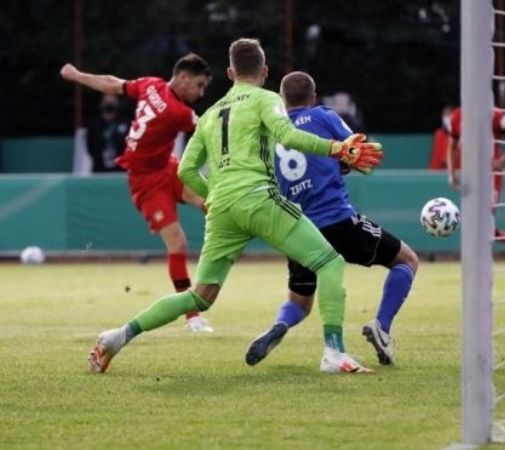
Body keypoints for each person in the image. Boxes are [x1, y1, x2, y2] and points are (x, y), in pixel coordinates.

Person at [85, 38, 384, 375]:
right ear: (265, 71)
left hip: (223, 209)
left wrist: (211, 195)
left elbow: (185, 169)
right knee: (329, 262)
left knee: (200, 296)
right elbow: (289, 137)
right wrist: (337, 149)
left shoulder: (210, 114)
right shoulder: (267, 98)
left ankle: (118, 336)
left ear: (230, 72)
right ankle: (333, 352)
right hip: (258, 198)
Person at [245, 71, 419, 367]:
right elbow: (352, 147)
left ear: (282, 101)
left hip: (298, 229)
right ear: (313, 97)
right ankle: (382, 327)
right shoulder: (323, 115)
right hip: (337, 220)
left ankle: (280, 326)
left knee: (299, 301)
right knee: (406, 260)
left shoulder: (273, 133)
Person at [60, 55, 214, 332]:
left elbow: (111, 83)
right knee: (178, 243)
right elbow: (210, 132)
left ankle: (226, 251)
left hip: (167, 167)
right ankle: (192, 316)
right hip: (146, 182)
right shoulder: (178, 112)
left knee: (210, 204)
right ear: (183, 78)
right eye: (200, 85)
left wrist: (77, 75)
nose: (201, 93)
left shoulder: (151, 84)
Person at [446, 105, 505, 256]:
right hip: (471, 174)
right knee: (474, 218)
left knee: (486, 214)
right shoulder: (457, 117)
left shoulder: (496, 115)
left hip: (492, 173)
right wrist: (452, 173)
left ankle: (482, 256)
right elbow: (452, 146)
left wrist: (503, 158)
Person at [86, 94, 128, 172]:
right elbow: (90, 148)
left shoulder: (125, 124)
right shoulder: (94, 126)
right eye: (107, 103)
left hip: (120, 172)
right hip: (99, 171)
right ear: (101, 104)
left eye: (112, 104)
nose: (109, 107)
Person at [429, 104, 454, 170]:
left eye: (449, 115)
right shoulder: (439, 134)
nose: (447, 118)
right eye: (444, 115)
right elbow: (436, 157)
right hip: (439, 173)